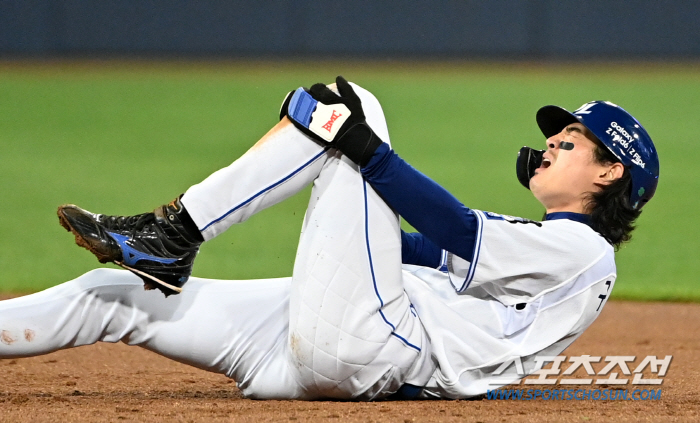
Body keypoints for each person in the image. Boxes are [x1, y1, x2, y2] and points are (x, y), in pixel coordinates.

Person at [0, 77, 659, 400]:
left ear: (610, 171)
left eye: (569, 141)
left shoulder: (584, 251)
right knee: (112, 293)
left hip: (376, 349)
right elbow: (417, 249)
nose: (550, 142)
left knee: (357, 107)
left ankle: (174, 231)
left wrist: (362, 153)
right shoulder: (544, 246)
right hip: (326, 344)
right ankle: (166, 241)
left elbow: (451, 225)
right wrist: (330, 217)